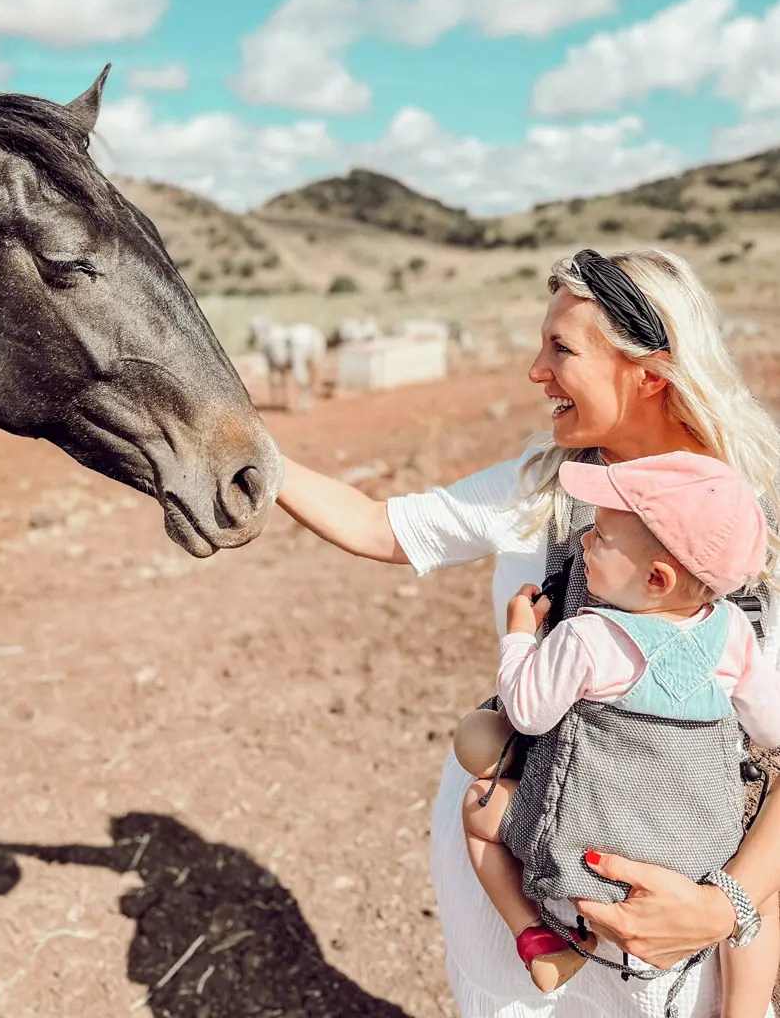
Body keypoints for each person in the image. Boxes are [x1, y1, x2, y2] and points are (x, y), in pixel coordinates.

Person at [277, 247, 780, 1017]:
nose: (535, 371)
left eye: (562, 348)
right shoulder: (541, 483)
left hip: (690, 899)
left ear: (649, 371)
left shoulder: (754, 522)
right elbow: (380, 526)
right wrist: (247, 451)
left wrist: (726, 907)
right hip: (526, 854)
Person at [454, 451, 780, 1018]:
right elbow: (772, 729)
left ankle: (542, 940)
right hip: (698, 864)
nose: (583, 543)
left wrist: (519, 637)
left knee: (479, 812)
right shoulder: (733, 634)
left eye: (600, 536)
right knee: (759, 897)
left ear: (656, 577)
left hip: (587, 853)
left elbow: (528, 711)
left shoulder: (591, 637)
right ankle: (745, 1010)